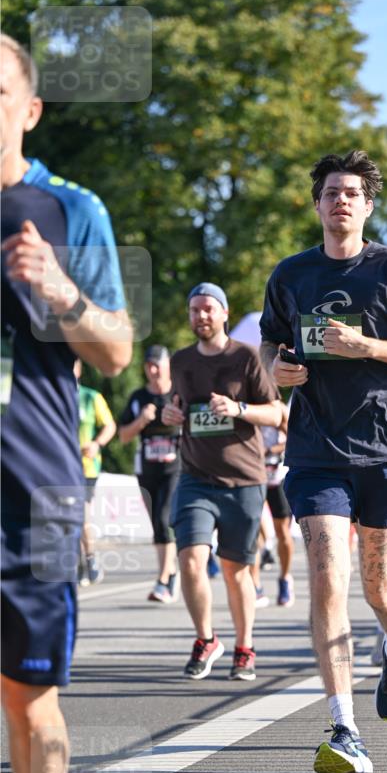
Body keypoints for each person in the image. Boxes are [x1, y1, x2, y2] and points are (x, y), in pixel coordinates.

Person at [1, 35, 131, 773]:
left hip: (36, 494)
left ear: (30, 109)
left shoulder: (69, 208)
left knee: (28, 698)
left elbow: (116, 350)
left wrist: (59, 291)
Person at [260, 150, 387, 773]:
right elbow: (269, 340)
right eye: (330, 192)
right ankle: (344, 727)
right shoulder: (291, 274)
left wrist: (368, 346)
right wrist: (274, 368)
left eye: (351, 193)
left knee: (382, 590)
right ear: (316, 204)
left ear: (367, 206)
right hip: (316, 451)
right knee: (327, 579)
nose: (340, 200)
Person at [162, 283, 281, 682]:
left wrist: (238, 408)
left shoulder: (246, 357)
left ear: (224, 313)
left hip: (244, 479)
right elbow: (175, 406)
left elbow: (277, 413)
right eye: (194, 310)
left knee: (236, 570)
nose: (201, 316)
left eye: (208, 309)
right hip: (196, 477)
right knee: (190, 559)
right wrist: (169, 415)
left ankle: (244, 649)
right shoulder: (180, 361)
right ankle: (206, 639)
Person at [118, 345, 181, 603]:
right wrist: (142, 420)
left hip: (175, 467)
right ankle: (171, 572)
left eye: (157, 365)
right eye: (148, 366)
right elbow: (123, 436)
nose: (153, 370)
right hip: (146, 468)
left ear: (168, 366)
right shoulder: (138, 397)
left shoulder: (179, 393)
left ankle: (163, 580)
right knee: (157, 522)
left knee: (165, 518)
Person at [73, 358, 116, 586]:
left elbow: (110, 425)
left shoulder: (90, 397)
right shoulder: (51, 396)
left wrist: (97, 444)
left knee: (82, 515)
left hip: (86, 467)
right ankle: (77, 562)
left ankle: (90, 560)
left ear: (79, 369)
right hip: (59, 466)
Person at [260, 399, 296, 607]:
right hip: (252, 475)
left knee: (282, 532)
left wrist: (273, 448)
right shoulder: (243, 404)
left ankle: (284, 578)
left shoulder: (278, 408)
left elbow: (295, 436)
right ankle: (255, 586)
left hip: (276, 476)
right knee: (251, 528)